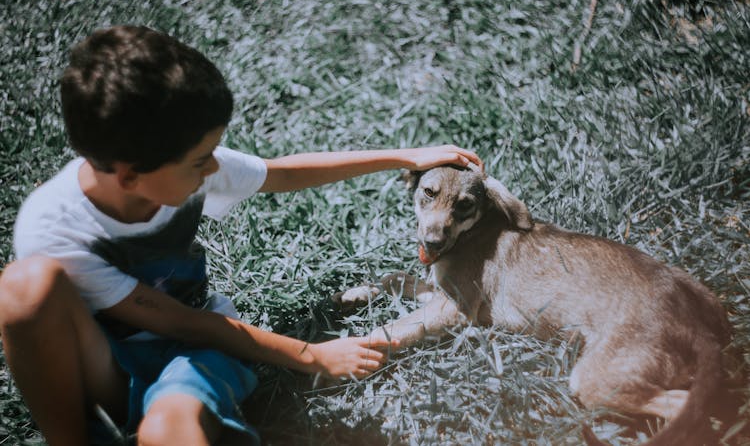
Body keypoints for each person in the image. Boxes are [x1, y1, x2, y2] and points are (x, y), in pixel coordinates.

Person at [0, 25, 482, 446]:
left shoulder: (174, 163)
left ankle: (175, 415)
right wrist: (312, 355)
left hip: (197, 356)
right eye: (200, 160)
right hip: (110, 360)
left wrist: (405, 157)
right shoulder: (53, 226)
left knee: (167, 433)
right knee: (23, 288)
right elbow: (178, 322)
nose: (214, 167)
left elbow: (281, 173)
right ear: (128, 176)